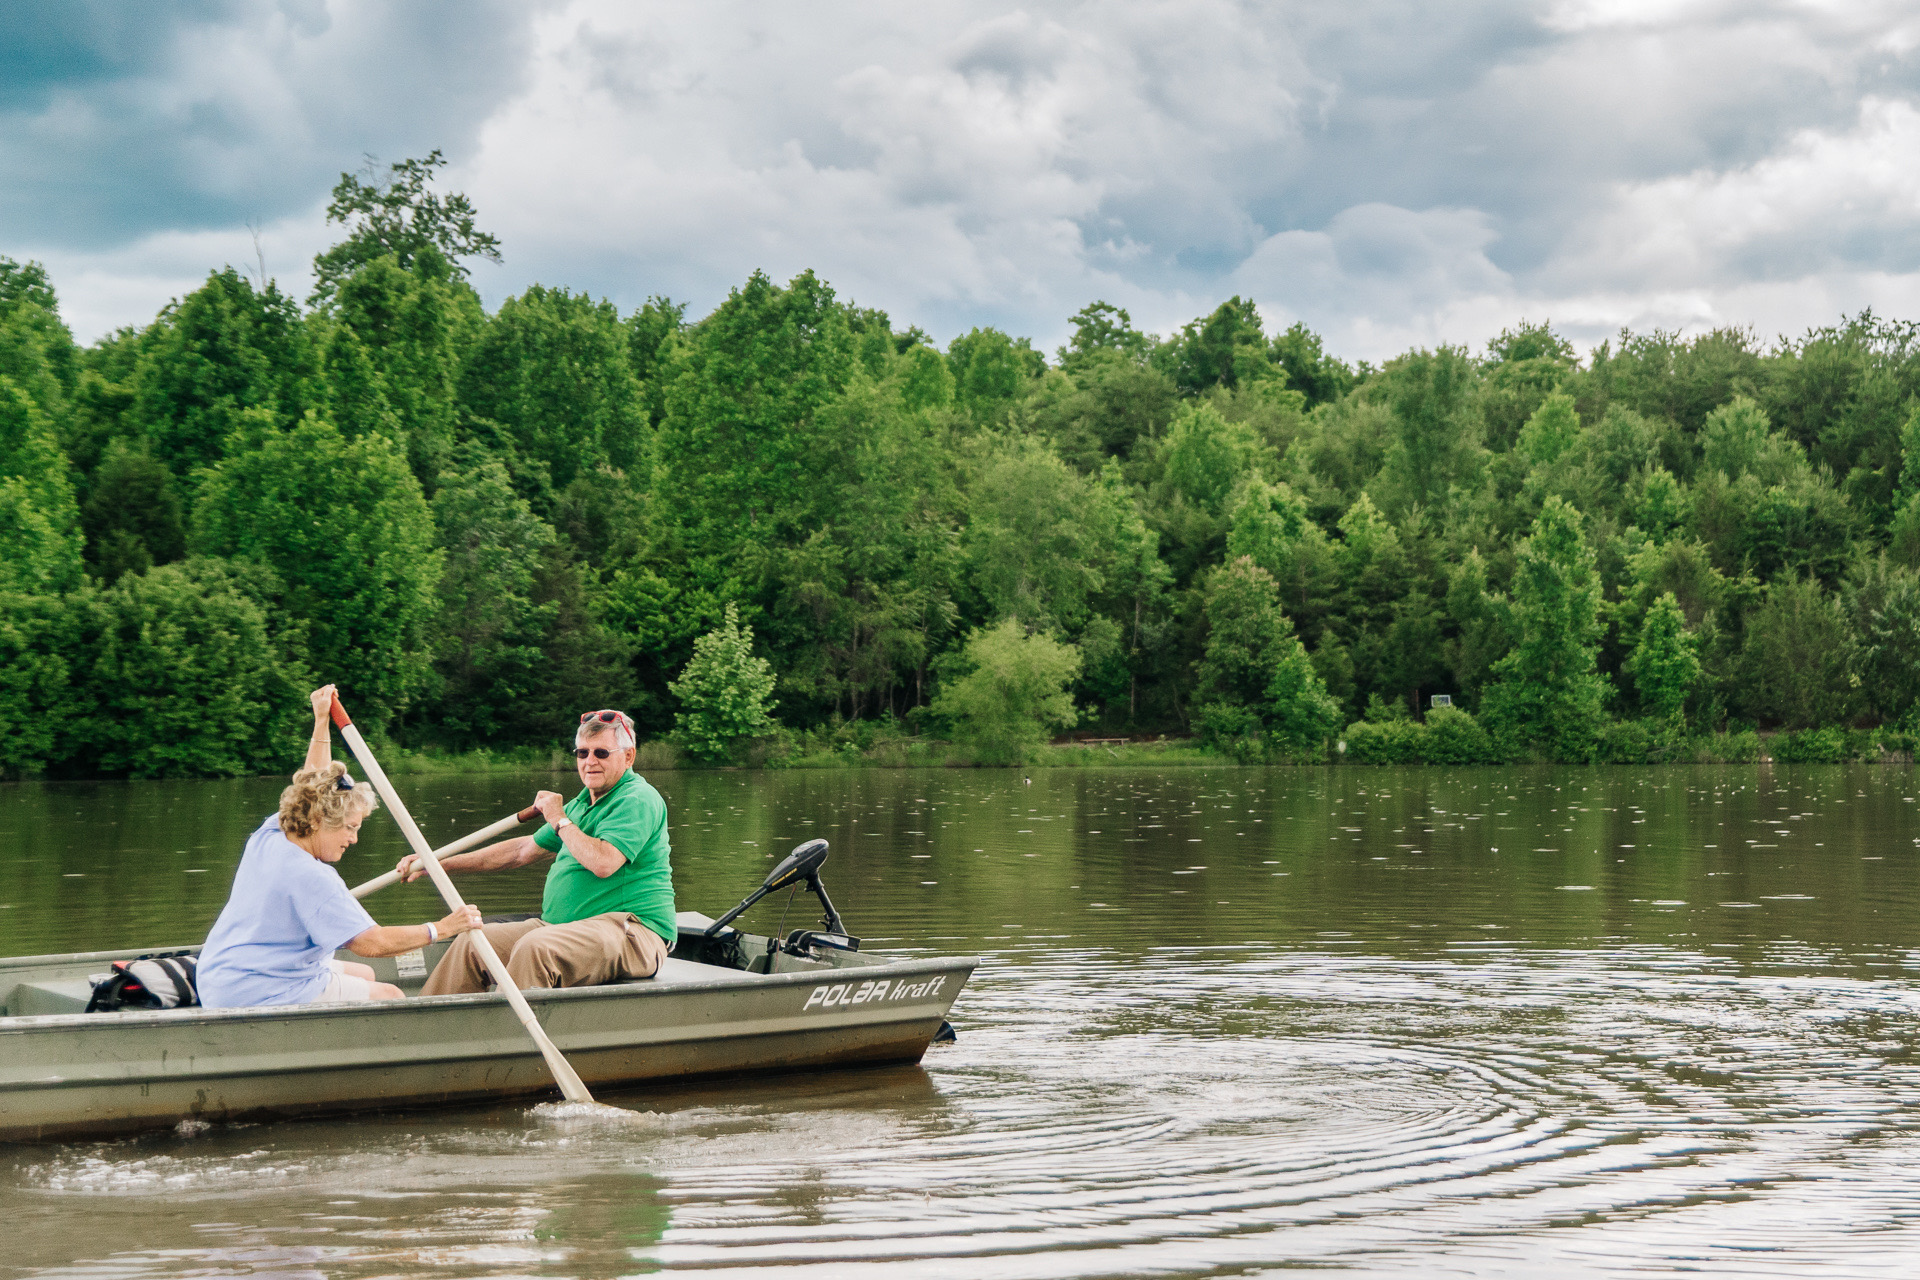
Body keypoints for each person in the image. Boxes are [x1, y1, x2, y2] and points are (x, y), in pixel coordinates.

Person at [197, 685, 483, 1007]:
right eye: (350, 827)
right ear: (319, 820)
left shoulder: (270, 835)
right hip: (257, 991)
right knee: (391, 994)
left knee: (367, 974)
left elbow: (311, 783)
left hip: (217, 976)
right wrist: (443, 928)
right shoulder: (316, 877)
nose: (354, 839)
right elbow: (372, 943)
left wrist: (322, 720)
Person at [399, 709, 674, 996]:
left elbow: (604, 862)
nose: (590, 762)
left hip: (632, 933)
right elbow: (521, 851)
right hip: (561, 927)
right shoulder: (580, 805)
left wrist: (559, 819)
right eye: (582, 753)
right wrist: (436, 864)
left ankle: (513, 1038)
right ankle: (427, 1033)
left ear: (628, 757)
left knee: (536, 947)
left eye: (601, 753)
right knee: (473, 942)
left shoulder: (637, 798)